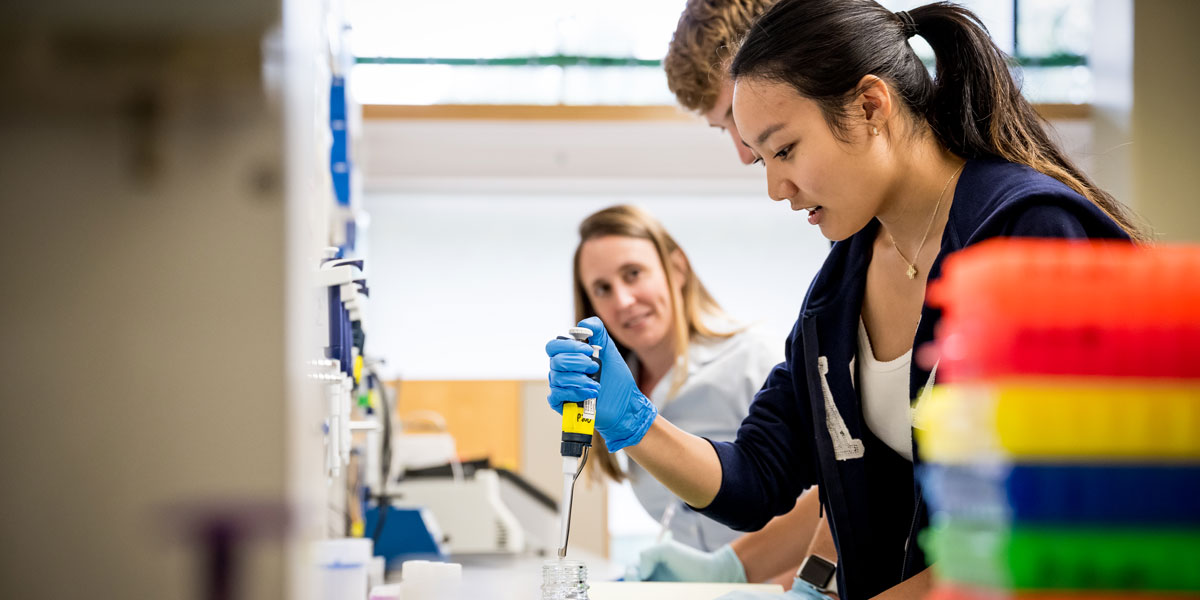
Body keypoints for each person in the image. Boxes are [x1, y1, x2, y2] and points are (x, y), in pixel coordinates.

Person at [547, 1, 1145, 599]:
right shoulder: (838, 290)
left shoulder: (1032, 234)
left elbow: (1060, 525)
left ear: (869, 106)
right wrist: (635, 424)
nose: (775, 188)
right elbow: (758, 477)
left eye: (783, 151)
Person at [640, 0, 843, 592]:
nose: (743, 152)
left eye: (735, 115)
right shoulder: (842, 276)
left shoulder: (1012, 220)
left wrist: (806, 582)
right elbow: (839, 478)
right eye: (723, 126)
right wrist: (740, 571)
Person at [570, 204, 787, 564]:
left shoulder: (754, 359)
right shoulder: (610, 393)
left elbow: (822, 510)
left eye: (633, 273)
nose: (623, 300)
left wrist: (740, 584)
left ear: (677, 268)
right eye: (603, 288)